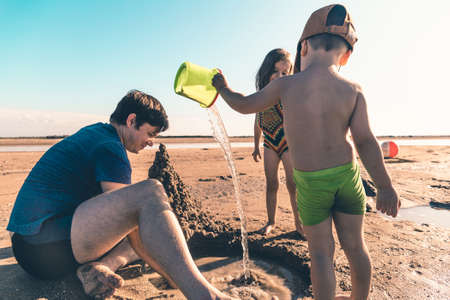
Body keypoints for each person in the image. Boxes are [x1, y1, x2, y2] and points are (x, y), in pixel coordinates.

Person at [212, 4, 400, 300]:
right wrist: (386, 186)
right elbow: (365, 141)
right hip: (347, 178)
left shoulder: (286, 85)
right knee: (356, 248)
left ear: (303, 48)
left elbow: (244, 105)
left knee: (322, 254)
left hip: (311, 183)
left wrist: (222, 87)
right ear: (347, 56)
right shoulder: (354, 90)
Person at [7, 90, 236, 300]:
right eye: (150, 133)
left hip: (34, 246)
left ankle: (96, 269)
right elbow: (132, 223)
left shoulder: (96, 133)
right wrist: (173, 277)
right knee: (150, 193)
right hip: (43, 248)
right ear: (131, 121)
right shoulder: (110, 146)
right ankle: (206, 296)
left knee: (152, 234)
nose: (151, 142)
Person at [252, 48, 304, 236]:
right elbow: (258, 121)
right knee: (271, 183)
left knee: (293, 185)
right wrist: (256, 144)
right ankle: (271, 222)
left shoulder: (288, 94)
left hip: (288, 144)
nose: (281, 76)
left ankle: (299, 224)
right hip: (269, 144)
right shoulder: (262, 94)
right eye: (276, 72)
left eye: (285, 73)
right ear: (267, 71)